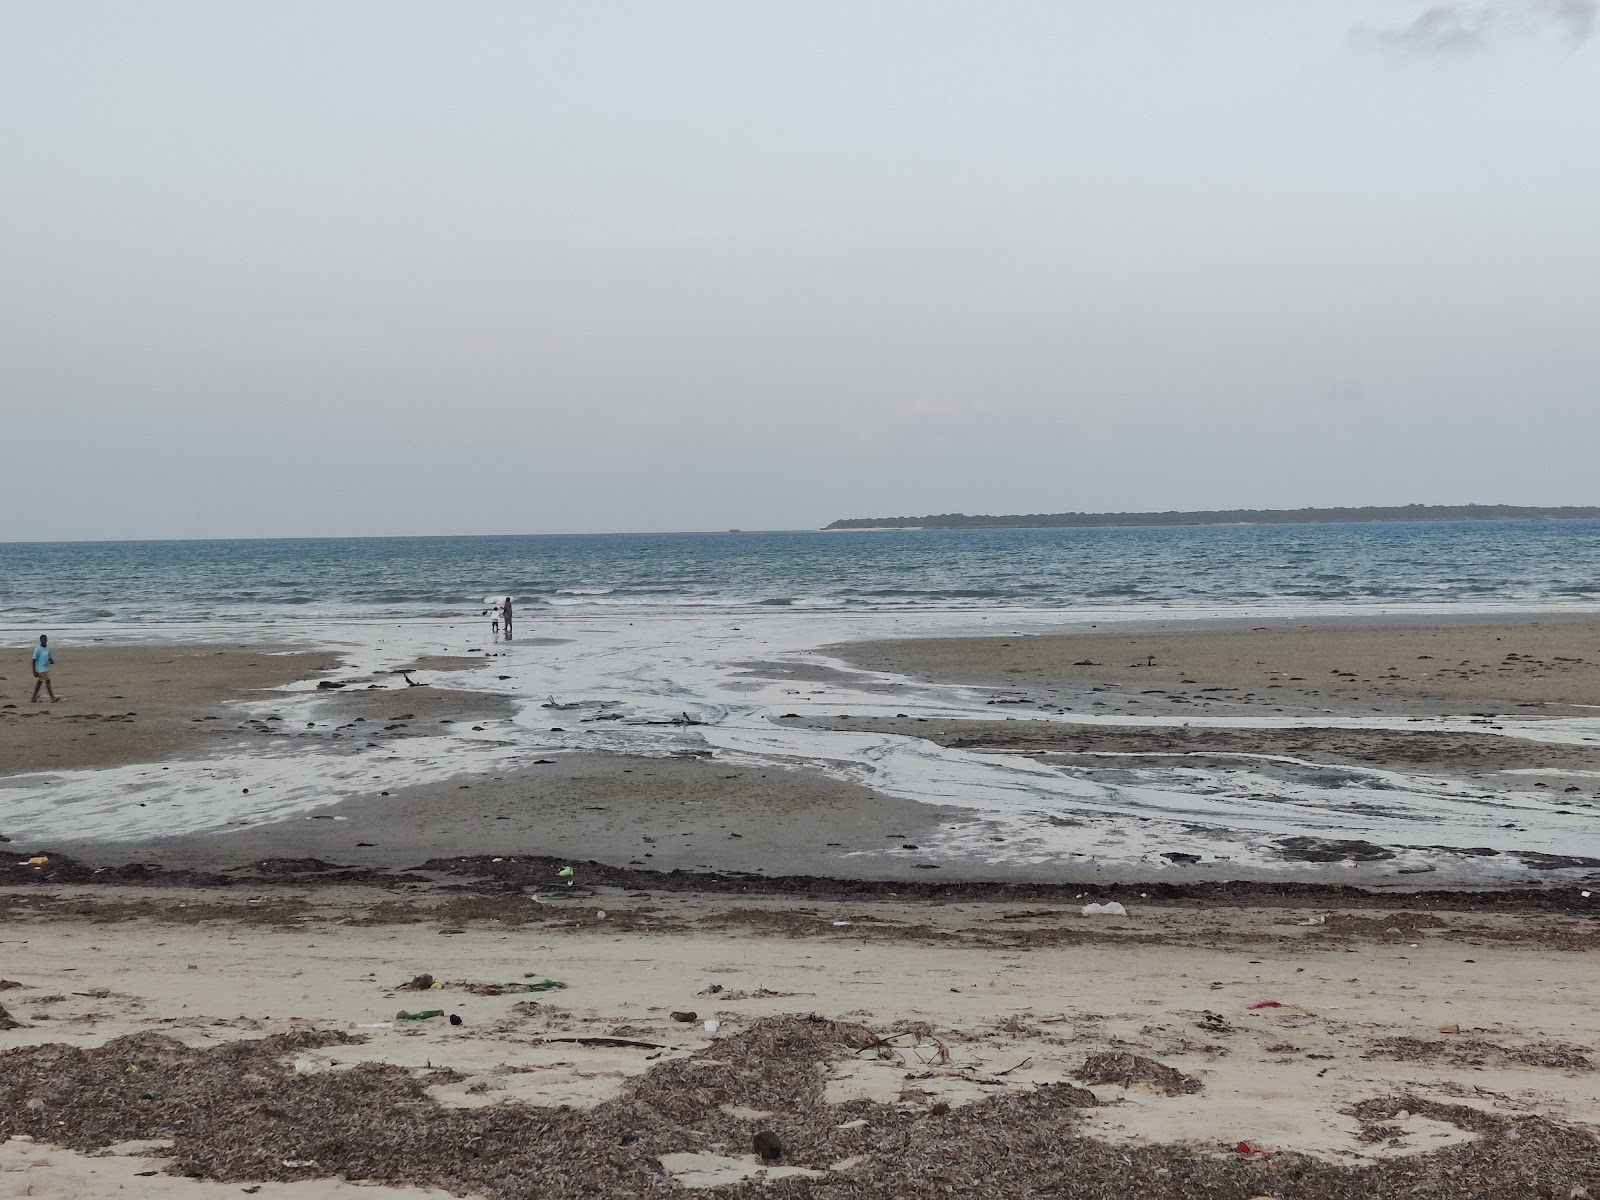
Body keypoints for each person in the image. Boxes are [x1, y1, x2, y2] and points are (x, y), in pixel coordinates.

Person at [31, 635, 59, 703]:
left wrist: (51, 661)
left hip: (45, 668)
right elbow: (34, 660)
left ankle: (33, 697)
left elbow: (49, 657)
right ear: (40, 640)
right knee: (47, 681)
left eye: (45, 639)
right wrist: (34, 671)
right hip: (40, 668)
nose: (45, 641)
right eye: (43, 640)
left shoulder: (47, 648)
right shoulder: (37, 649)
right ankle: (52, 698)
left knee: (39, 683)